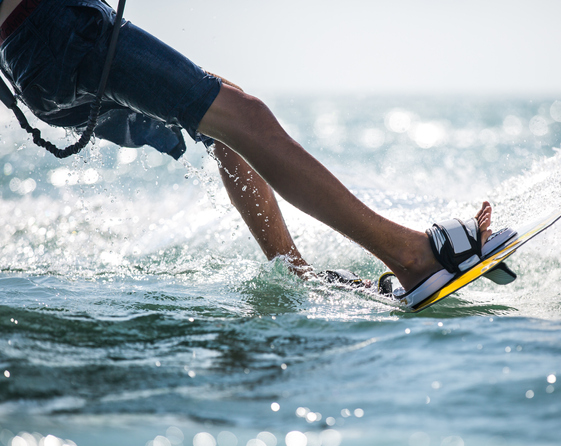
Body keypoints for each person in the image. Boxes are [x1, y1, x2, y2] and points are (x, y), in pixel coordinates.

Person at [0, 0, 493, 304]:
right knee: (247, 118)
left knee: (229, 122)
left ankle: (297, 274)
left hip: (40, 59)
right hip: (62, 32)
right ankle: (412, 256)